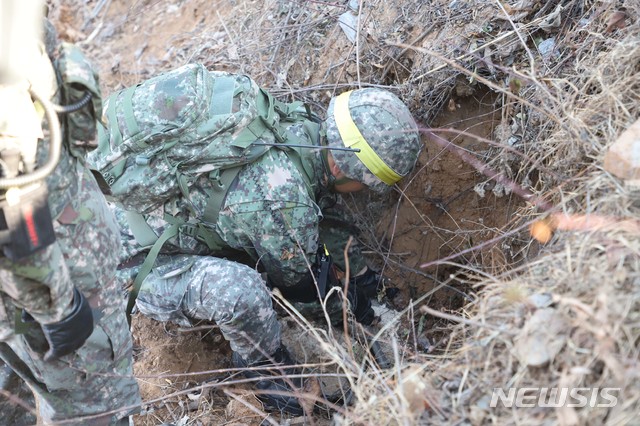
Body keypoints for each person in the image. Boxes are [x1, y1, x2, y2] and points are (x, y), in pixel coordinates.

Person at [88, 63, 422, 415]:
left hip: (127, 213)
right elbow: (302, 293)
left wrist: (363, 277)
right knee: (242, 291)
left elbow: (325, 213)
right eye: (368, 180)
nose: (364, 190)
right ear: (346, 167)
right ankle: (266, 373)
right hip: (129, 261)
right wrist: (355, 314)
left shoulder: (299, 128)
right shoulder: (284, 201)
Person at [0, 4, 140, 425]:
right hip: (57, 288)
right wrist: (60, 310)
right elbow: (13, 212)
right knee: (100, 409)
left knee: (15, 394)